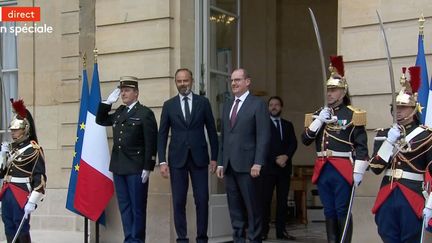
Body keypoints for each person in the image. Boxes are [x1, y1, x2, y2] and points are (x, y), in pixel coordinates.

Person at [301, 56, 368, 243]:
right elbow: (305, 139)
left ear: (343, 91)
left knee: (341, 209)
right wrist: (319, 120)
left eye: (334, 90)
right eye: (328, 90)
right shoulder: (317, 114)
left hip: (342, 168)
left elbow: (361, 145)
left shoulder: (353, 115)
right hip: (323, 167)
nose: (330, 93)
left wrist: (359, 171)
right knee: (328, 210)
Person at [370, 66, 432, 242]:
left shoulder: (426, 136)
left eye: (403, 107)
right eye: (395, 107)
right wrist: (389, 142)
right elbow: (375, 167)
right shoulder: (384, 134)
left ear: (414, 109)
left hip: (412, 195)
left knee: (410, 237)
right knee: (387, 234)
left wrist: (431, 204)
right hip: (387, 193)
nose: (398, 111)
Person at [157, 68, 218, 243]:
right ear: (176, 82)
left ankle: (202, 238)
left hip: (199, 159)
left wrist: (214, 157)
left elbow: (212, 131)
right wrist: (162, 161)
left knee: (202, 200)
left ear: (192, 80)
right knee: (178, 201)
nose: (183, 84)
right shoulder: (169, 105)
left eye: (186, 80)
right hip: (177, 160)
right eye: (179, 81)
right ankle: (182, 238)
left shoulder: (203, 103)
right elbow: (162, 134)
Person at [96, 76, 157, 243]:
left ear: (136, 93)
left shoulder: (145, 113)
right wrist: (107, 103)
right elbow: (100, 120)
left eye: (127, 90)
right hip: (119, 167)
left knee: (137, 208)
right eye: (122, 91)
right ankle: (129, 239)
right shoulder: (120, 112)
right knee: (125, 208)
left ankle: (137, 240)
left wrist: (148, 166)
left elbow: (151, 142)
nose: (123, 93)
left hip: (137, 168)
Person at [216, 68, 271, 243]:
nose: (234, 83)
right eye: (232, 80)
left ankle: (255, 240)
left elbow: (264, 135)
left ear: (247, 82)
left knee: (253, 209)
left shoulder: (258, 104)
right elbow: (224, 137)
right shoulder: (227, 105)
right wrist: (220, 162)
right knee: (235, 210)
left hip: (249, 166)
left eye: (238, 80)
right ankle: (238, 240)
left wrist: (258, 162)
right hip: (230, 166)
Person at [0, 99, 46, 243]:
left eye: (16, 130)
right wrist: (3, 155)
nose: (13, 133)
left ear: (25, 129)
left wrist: (32, 200)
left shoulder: (34, 150)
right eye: (12, 130)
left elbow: (40, 178)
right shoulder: (13, 149)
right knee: (8, 227)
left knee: (21, 228)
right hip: (7, 192)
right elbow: (2, 173)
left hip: (21, 194)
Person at [261, 96, 297, 241]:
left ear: (281, 107)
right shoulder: (263, 125)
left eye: (276, 105)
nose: (274, 107)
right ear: (268, 108)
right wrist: (276, 158)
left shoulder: (288, 125)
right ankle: (263, 231)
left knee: (283, 201)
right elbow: (262, 144)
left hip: (284, 169)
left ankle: (281, 232)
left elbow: (293, 143)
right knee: (265, 201)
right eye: (271, 105)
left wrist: (286, 157)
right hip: (268, 168)